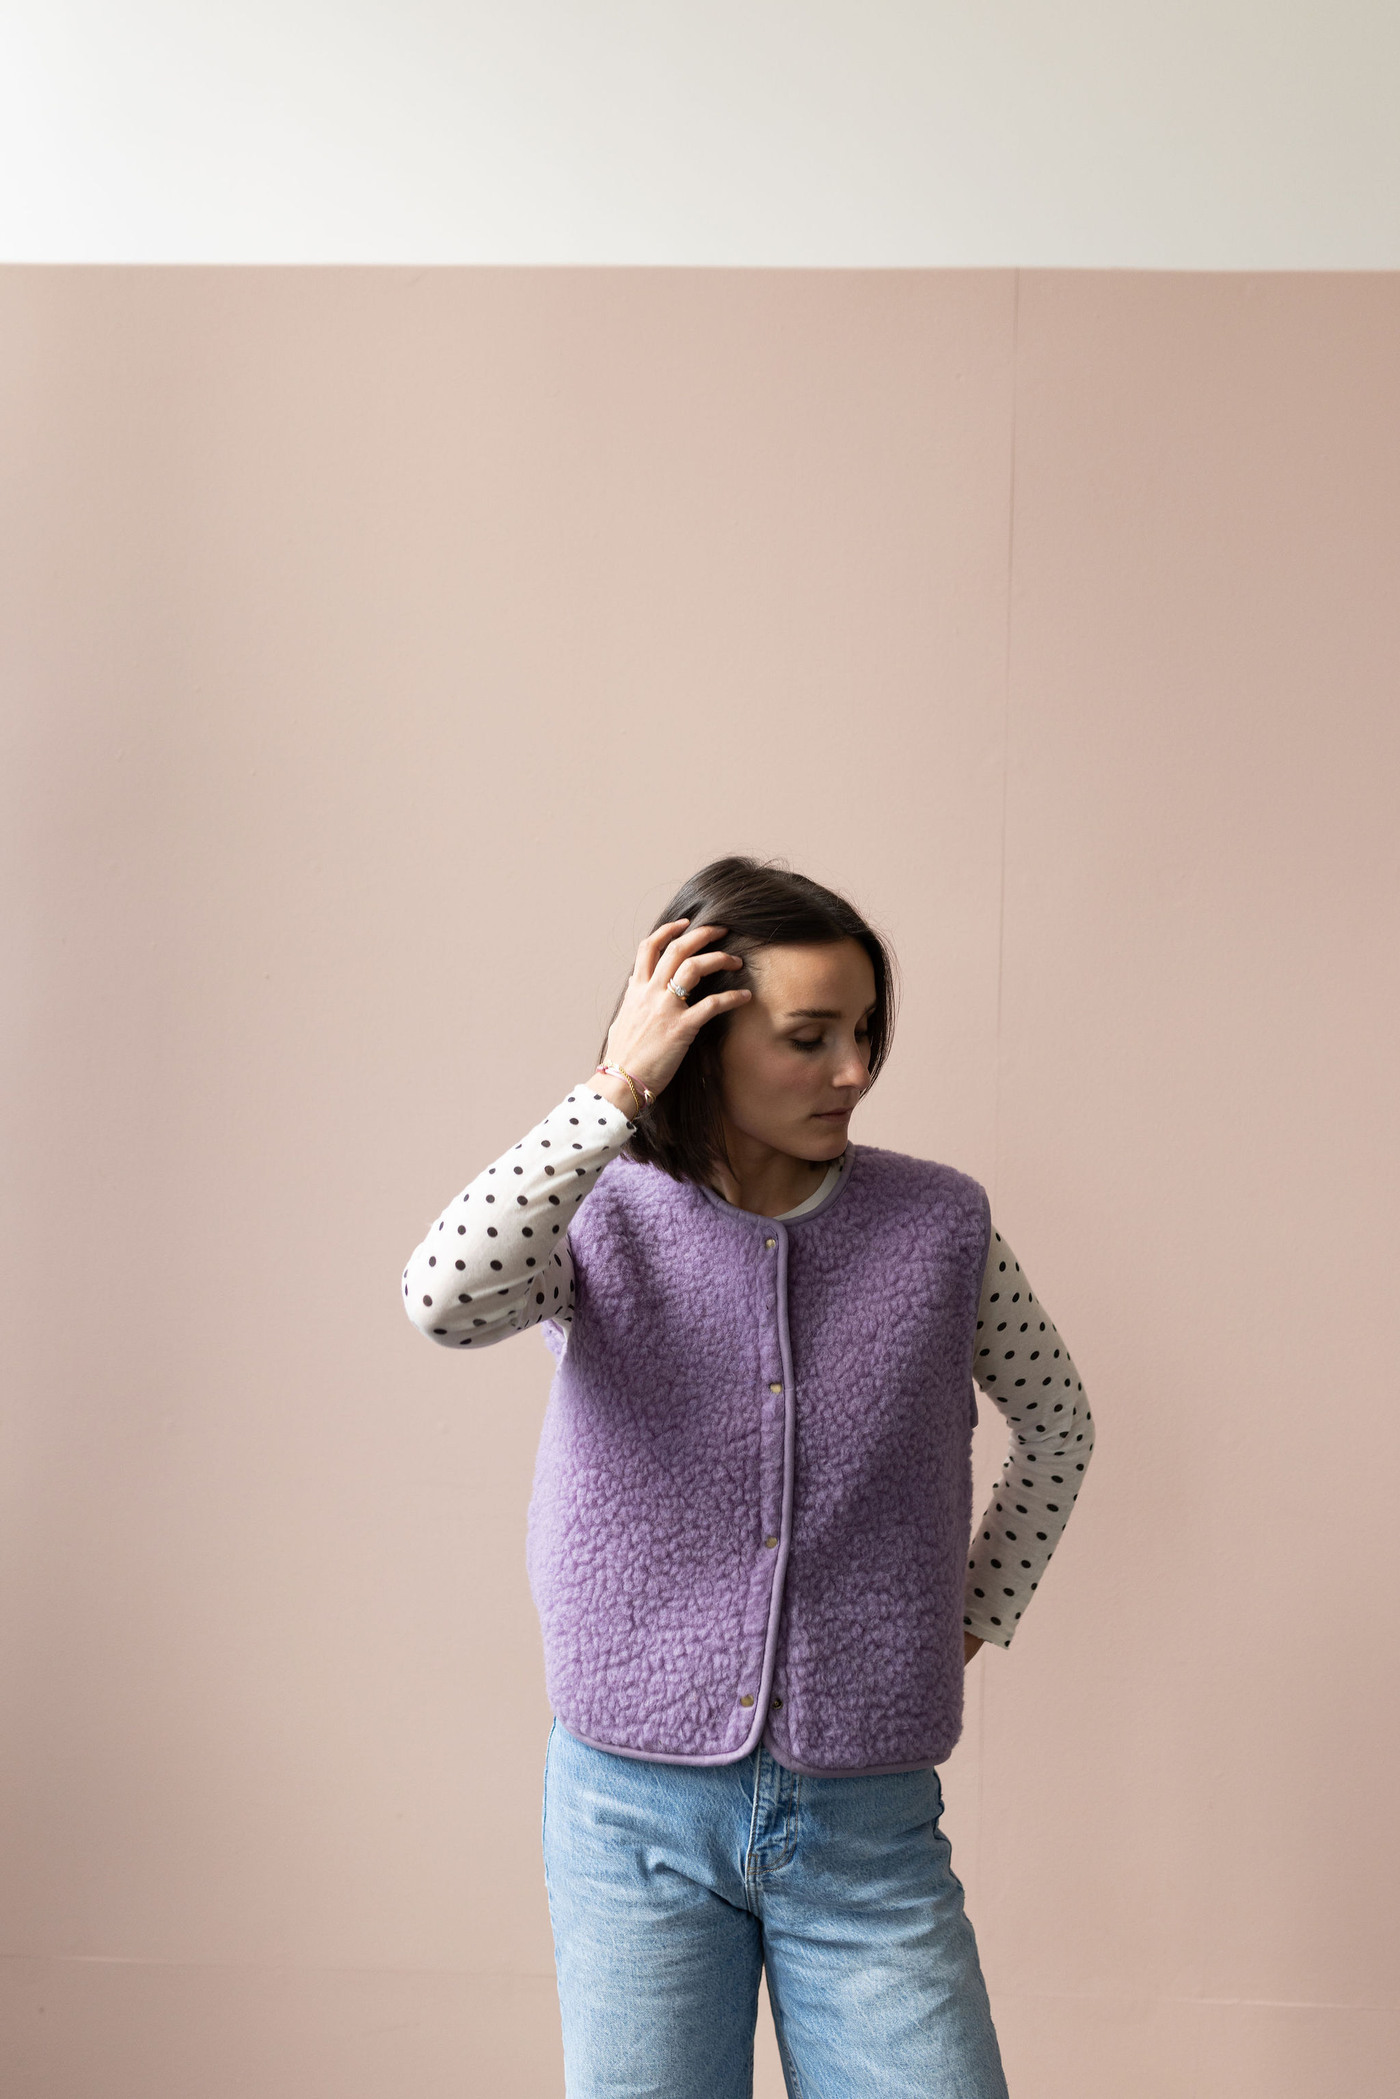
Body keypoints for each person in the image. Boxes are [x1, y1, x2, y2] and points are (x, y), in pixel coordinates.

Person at [403, 855, 1094, 2099]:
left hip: (865, 1819)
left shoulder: (937, 1224)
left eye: (865, 1031)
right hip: (630, 1814)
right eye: (808, 1036)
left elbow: (1057, 1421)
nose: (852, 1070)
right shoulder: (598, 1212)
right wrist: (617, 1084)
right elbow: (443, 1297)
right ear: (702, 1035)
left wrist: (968, 1614)